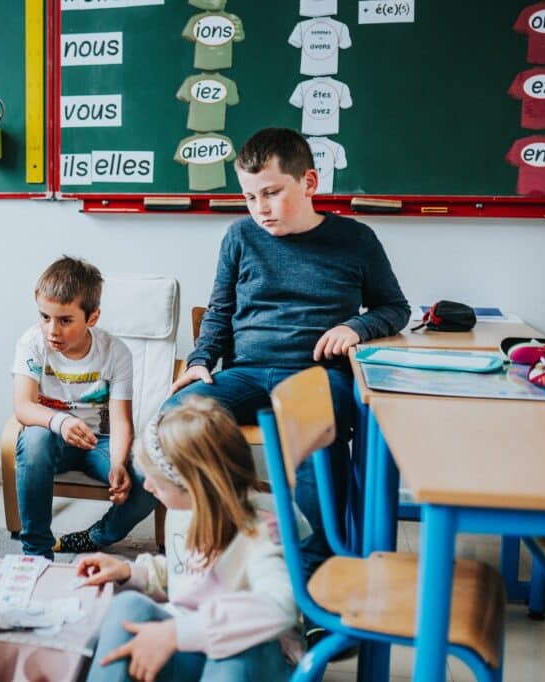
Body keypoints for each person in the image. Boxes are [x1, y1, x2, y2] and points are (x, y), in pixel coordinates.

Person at [167, 127, 410, 646]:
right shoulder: (239, 237)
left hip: (318, 375)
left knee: (316, 446)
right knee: (176, 420)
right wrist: (201, 359)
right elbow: (220, 312)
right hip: (247, 372)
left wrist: (355, 327)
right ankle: (223, 557)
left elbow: (395, 308)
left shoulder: (355, 240)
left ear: (309, 182)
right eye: (250, 196)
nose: (260, 208)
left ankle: (316, 590)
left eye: (272, 192)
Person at [80, 397, 300, 682]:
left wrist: (177, 632)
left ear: (192, 486)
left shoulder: (262, 534)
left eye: (155, 480)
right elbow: (186, 577)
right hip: (195, 646)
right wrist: (128, 572)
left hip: (256, 662)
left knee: (235, 655)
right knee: (126, 608)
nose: (146, 486)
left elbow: (280, 608)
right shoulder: (182, 511)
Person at [12, 256, 158, 559]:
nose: (53, 330)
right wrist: (61, 423)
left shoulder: (115, 352)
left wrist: (118, 463)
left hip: (99, 442)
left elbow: (121, 421)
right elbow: (23, 406)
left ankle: (98, 536)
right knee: (34, 437)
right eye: (45, 317)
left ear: (92, 318)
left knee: (150, 475)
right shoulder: (32, 343)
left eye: (65, 321)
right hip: (53, 438)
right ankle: (37, 552)